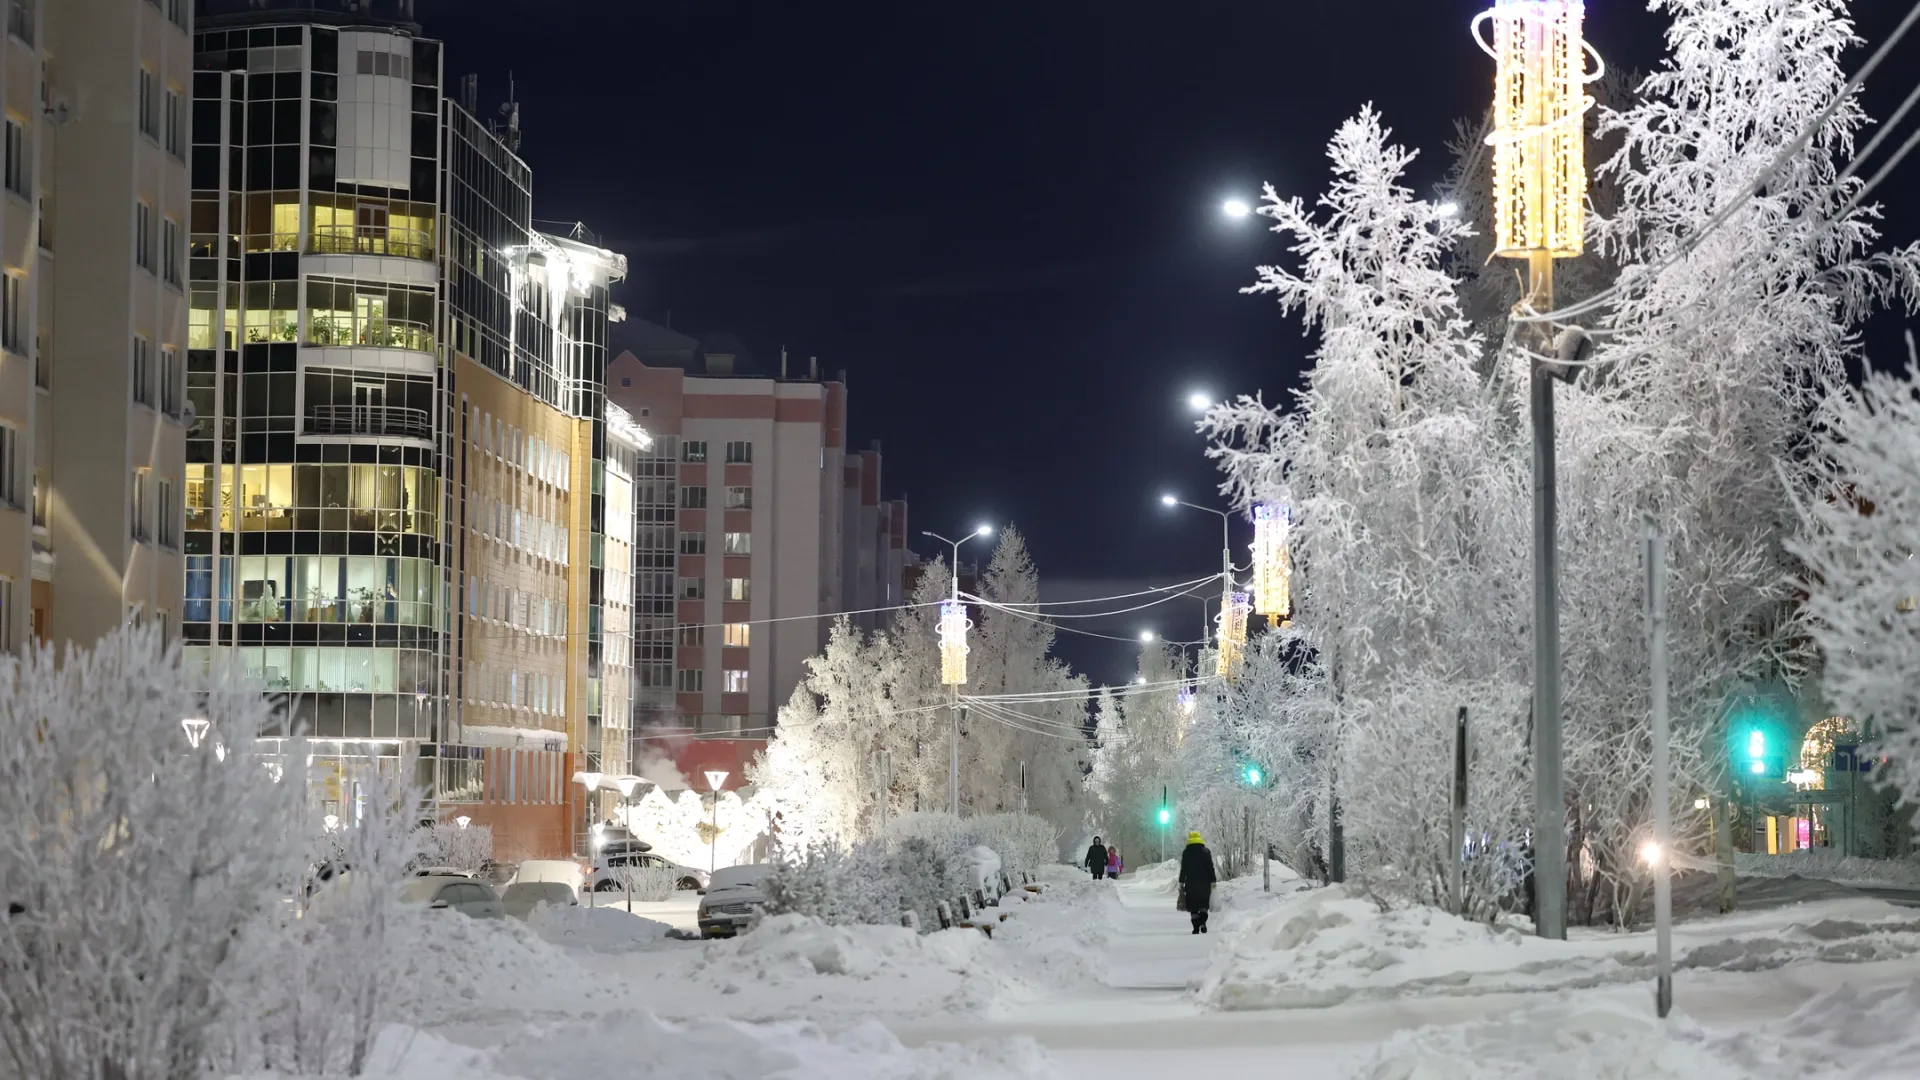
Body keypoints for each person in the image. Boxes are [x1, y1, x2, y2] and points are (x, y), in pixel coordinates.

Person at [1178, 831, 1217, 934]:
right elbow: (1210, 868)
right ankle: (1203, 922)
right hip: (1204, 884)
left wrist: (1181, 881)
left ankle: (1196, 927)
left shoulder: (1186, 853)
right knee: (1204, 905)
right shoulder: (1206, 852)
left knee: (1193, 906)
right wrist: (1213, 880)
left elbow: (1184, 869)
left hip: (1191, 884)